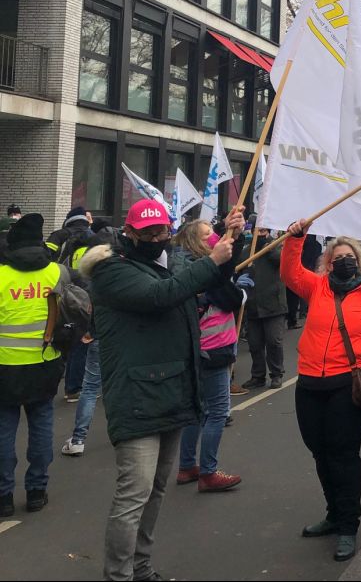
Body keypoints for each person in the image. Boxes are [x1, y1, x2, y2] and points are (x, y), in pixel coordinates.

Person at [83, 200, 242, 581]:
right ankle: (118, 574)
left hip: (171, 388)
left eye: (162, 231)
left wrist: (228, 237)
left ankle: (141, 567)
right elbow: (161, 296)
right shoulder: (111, 271)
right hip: (136, 397)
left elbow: (215, 284)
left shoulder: (168, 261)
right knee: (133, 494)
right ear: (130, 232)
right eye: (149, 232)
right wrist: (212, 261)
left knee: (154, 491)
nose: (157, 238)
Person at [281, 220, 361, 563]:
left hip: (349, 385)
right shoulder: (317, 288)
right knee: (320, 451)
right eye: (336, 258)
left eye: (348, 257)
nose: (342, 262)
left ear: (358, 261)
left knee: (343, 455)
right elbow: (290, 272)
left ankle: (348, 524)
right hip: (310, 383)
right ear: (327, 264)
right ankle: (333, 514)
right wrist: (296, 238)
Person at [172, 220, 245, 493]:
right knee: (217, 412)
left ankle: (187, 466)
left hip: (195, 350)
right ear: (195, 241)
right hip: (213, 349)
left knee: (196, 411)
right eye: (207, 235)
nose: (214, 237)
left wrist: (233, 238)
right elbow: (231, 297)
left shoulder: (184, 268)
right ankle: (208, 472)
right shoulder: (203, 272)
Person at [0, 214, 66, 517]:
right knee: (41, 427)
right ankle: (37, 491)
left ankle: (3, 497)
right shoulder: (57, 273)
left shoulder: (1, 276)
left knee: (3, 432)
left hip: (5, 368)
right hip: (45, 364)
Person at [60, 228, 118, 457]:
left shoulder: (90, 282)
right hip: (118, 339)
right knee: (115, 387)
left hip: (96, 337)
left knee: (90, 388)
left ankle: (78, 439)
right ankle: (121, 434)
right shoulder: (122, 278)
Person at [49, 207, 94, 403]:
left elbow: (58, 264)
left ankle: (65, 382)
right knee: (83, 341)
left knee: (66, 335)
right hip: (86, 296)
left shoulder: (66, 240)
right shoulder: (93, 240)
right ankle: (74, 387)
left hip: (65, 295)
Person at [242, 228, 288, 389]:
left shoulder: (274, 247)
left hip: (273, 304)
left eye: (263, 230)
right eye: (257, 231)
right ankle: (258, 376)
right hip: (253, 304)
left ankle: (276, 374)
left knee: (274, 341)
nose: (260, 234)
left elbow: (282, 260)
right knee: (255, 344)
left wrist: (268, 247)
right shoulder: (247, 251)